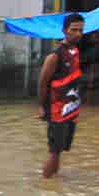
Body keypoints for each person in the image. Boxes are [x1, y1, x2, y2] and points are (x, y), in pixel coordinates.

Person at [36, 13, 85, 179]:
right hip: (57, 110)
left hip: (70, 108)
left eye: (81, 30)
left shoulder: (75, 51)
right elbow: (43, 83)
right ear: (64, 30)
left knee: (61, 149)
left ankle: (54, 183)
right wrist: (42, 107)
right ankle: (46, 185)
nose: (78, 33)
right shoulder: (54, 56)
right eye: (74, 30)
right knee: (54, 151)